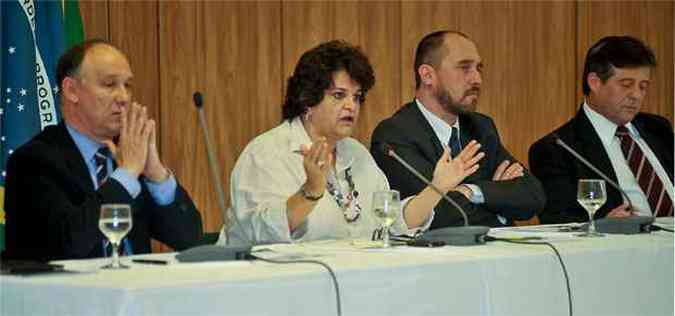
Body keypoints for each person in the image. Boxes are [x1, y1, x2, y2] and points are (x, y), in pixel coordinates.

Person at [219, 40, 482, 245]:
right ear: (308, 100)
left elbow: (389, 224)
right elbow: (260, 232)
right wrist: (310, 191)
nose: (351, 106)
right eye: (338, 95)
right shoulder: (266, 154)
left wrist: (436, 188)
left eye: (357, 97)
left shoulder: (356, 154)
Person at [3, 39, 203, 261]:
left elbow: (189, 239)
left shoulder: (126, 155)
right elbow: (69, 242)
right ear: (71, 91)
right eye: (110, 85)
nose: (123, 97)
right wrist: (126, 175)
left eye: (127, 85)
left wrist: (156, 174)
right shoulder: (34, 161)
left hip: (136, 291)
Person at [371, 30, 545, 229]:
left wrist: (471, 191)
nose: (477, 79)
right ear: (427, 75)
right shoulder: (395, 135)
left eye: (478, 68)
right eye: (464, 68)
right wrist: (499, 206)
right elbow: (441, 216)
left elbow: (533, 195)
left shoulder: (481, 127)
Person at [529, 36, 673, 224]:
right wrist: (601, 225)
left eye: (643, 87)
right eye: (626, 85)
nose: (636, 95)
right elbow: (559, 222)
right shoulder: (557, 149)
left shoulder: (658, 128)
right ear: (595, 82)